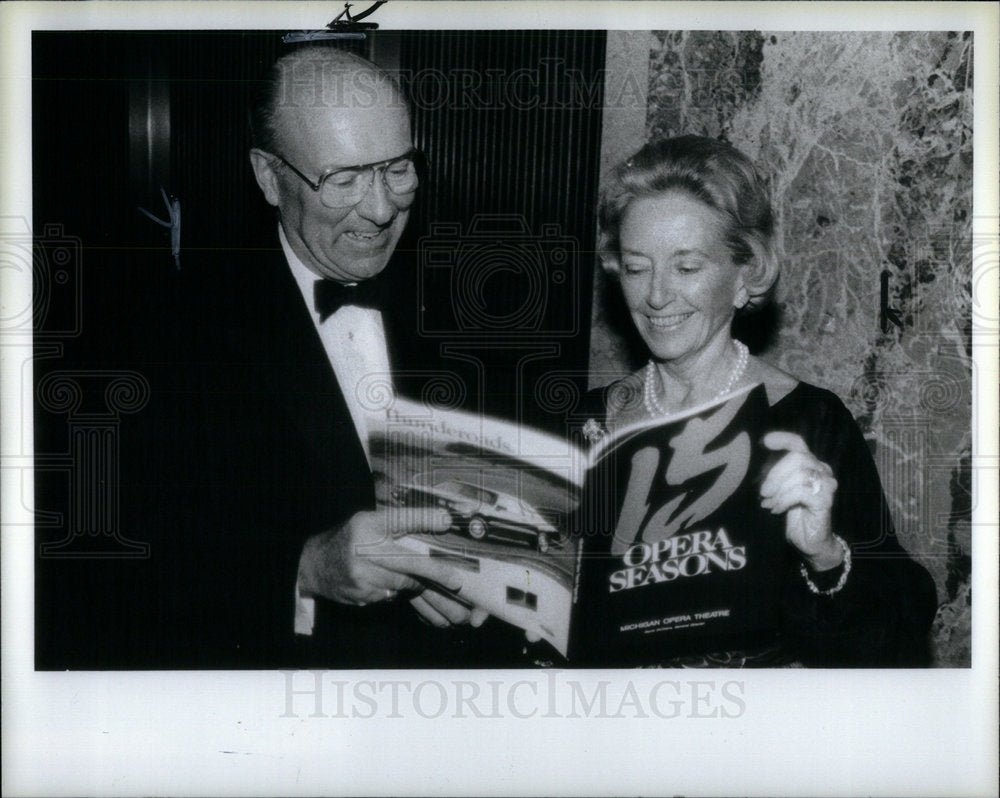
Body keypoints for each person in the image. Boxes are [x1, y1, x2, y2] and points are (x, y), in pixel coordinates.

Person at [584, 135, 937, 666]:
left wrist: (824, 553)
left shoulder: (810, 422)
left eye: (686, 267)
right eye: (636, 267)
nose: (656, 296)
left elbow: (898, 631)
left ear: (745, 273)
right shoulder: (586, 422)